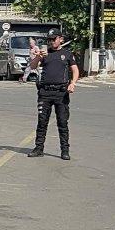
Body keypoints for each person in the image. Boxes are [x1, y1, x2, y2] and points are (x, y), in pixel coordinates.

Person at [27, 28, 78, 160]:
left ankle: (65, 150)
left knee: (62, 122)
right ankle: (39, 148)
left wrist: (72, 83)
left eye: (53, 39)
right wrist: (38, 56)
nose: (51, 42)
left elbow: (75, 70)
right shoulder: (45, 54)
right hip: (45, 92)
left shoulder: (67, 54)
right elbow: (32, 66)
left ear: (60, 39)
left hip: (61, 92)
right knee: (42, 121)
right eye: (49, 39)